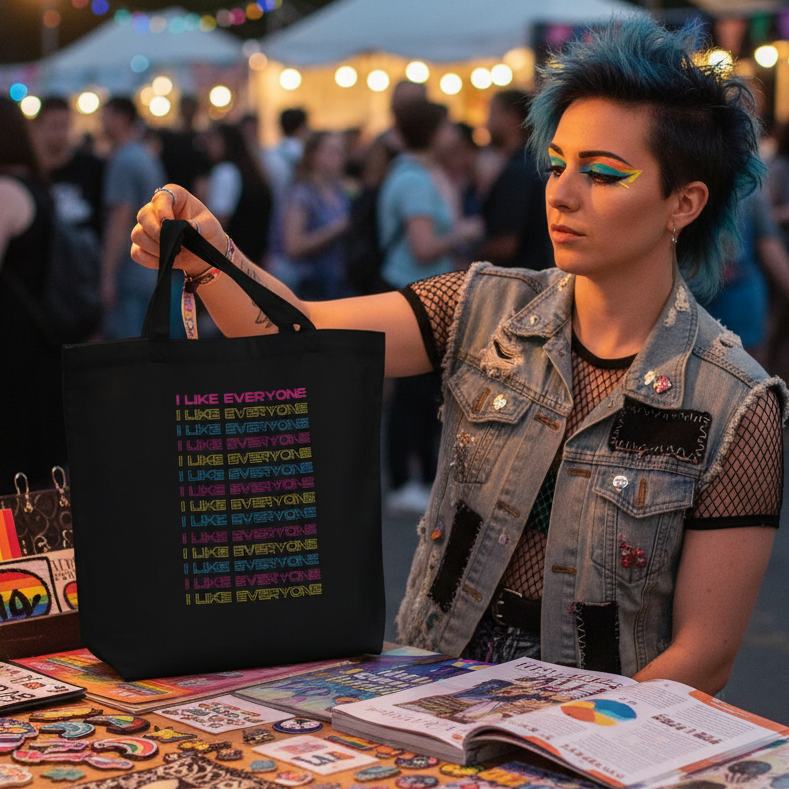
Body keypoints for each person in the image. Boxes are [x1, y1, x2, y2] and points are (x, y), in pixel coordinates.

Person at [132, 18, 784, 695]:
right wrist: (209, 257)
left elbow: (703, 655)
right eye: (556, 164)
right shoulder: (482, 309)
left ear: (683, 202)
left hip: (597, 736)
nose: (560, 192)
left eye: (602, 173)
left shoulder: (735, 403)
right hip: (429, 703)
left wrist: (561, 741)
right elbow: (298, 342)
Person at [0, 97, 68, 489]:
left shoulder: (6, 190)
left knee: (15, 476)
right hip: (34, 346)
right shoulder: (32, 183)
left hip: (13, 351)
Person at [101, 96, 165, 339]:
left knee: (126, 350)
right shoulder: (146, 156)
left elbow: (120, 219)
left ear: (121, 118)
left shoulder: (124, 161)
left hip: (129, 269)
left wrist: (107, 275)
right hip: (150, 265)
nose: (102, 124)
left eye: (105, 117)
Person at [478, 89, 553, 269]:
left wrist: (469, 262)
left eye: (493, 112)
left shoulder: (519, 169)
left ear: (511, 117)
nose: (486, 121)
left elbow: (506, 243)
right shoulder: (532, 161)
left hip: (519, 278)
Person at [281, 131, 351, 301]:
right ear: (314, 155)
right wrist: (337, 229)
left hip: (338, 283)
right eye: (333, 151)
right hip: (311, 286)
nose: (340, 157)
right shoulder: (303, 194)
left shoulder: (340, 190)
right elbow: (293, 246)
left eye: (342, 151)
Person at [31, 96, 104, 238]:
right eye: (54, 126)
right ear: (38, 128)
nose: (60, 134)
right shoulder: (30, 170)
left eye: (65, 126)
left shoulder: (91, 167)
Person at [204, 122, 272, 267]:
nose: (208, 145)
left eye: (213, 140)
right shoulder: (254, 173)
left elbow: (219, 221)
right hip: (254, 256)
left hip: (231, 259)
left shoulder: (225, 172)